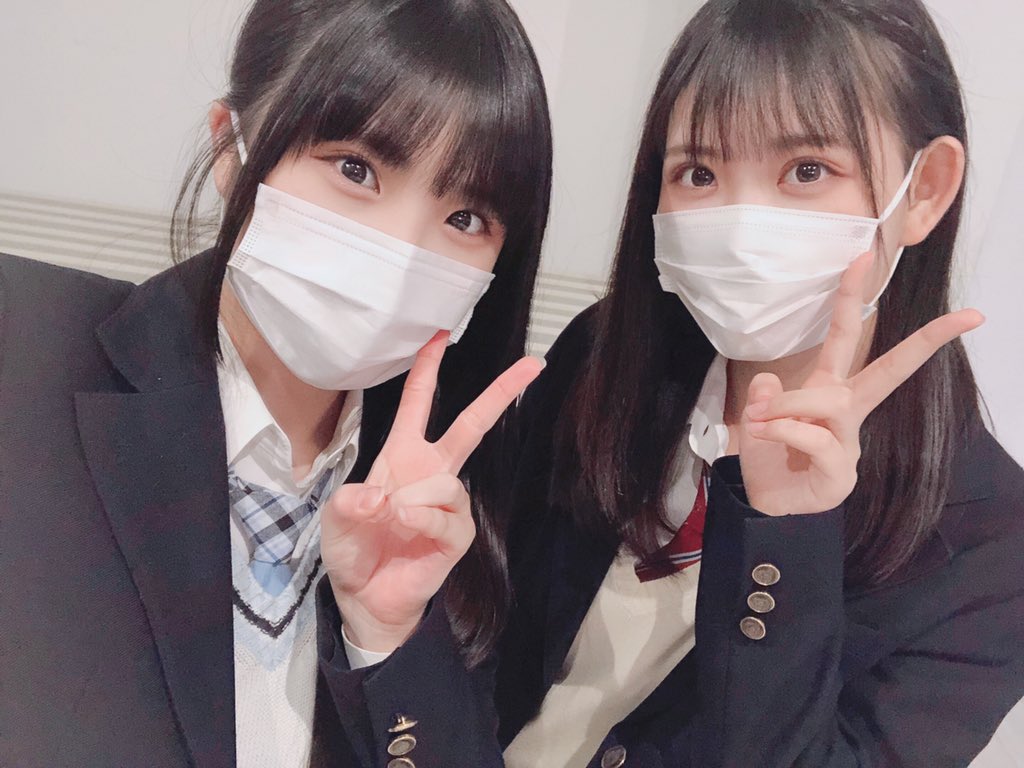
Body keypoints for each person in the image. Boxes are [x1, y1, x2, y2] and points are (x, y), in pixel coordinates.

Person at [323, 1, 1024, 766]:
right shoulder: (607, 364)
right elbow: (489, 653)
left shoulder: (991, 548)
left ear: (925, 189)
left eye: (807, 170)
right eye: (699, 172)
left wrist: (786, 536)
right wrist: (390, 630)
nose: (742, 221)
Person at [0, 1, 552, 766]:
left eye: (465, 218)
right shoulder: (24, 358)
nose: (399, 254)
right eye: (355, 169)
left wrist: (386, 638)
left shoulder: (449, 497)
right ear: (230, 147)